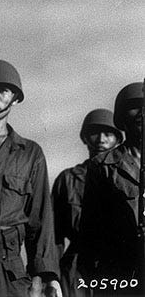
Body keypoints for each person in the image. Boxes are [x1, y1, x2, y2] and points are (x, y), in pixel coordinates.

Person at [0, 59, 61, 297]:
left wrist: (47, 276)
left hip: (7, 271)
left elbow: (40, 219)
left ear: (16, 98)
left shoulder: (30, 154)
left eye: (4, 91)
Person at [79, 82, 143, 296]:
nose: (142, 112)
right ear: (122, 117)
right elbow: (90, 233)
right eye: (134, 106)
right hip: (119, 275)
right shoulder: (102, 166)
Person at [52, 109, 123, 297]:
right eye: (95, 133)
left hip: (117, 264)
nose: (101, 139)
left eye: (108, 134)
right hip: (76, 269)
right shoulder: (67, 179)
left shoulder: (127, 180)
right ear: (85, 138)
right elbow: (54, 236)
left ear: (118, 140)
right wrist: (51, 277)